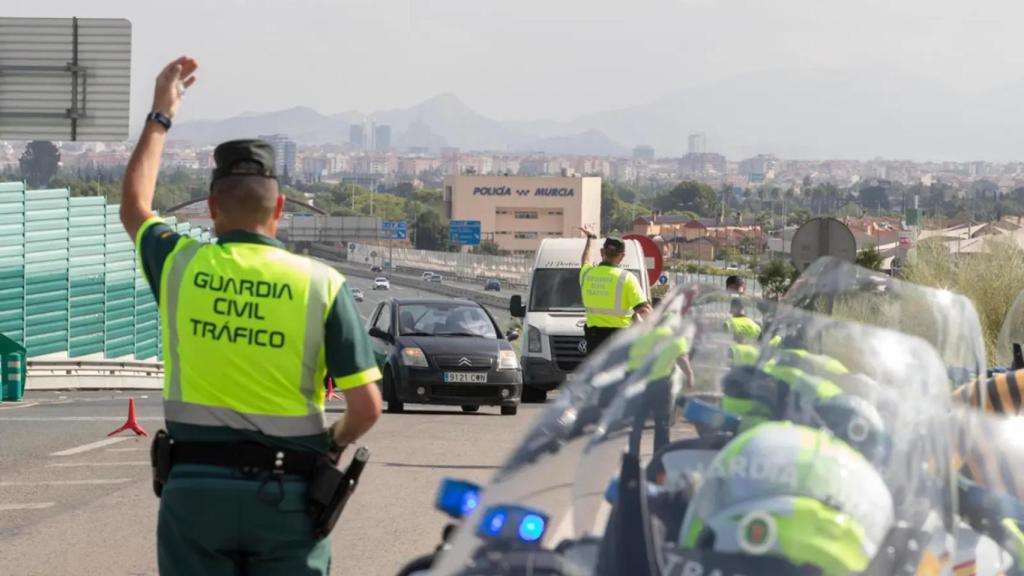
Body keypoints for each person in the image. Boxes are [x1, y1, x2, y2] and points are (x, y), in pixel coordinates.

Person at [120, 57, 383, 576]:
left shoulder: (178, 263)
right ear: (280, 208)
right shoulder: (321, 284)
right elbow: (367, 408)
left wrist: (161, 113)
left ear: (213, 208)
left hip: (195, 496)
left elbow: (135, 206)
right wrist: (331, 444)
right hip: (288, 497)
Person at [578, 225, 652, 355]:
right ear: (622, 256)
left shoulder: (587, 274)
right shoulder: (627, 278)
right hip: (620, 341)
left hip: (594, 341)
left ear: (602, 253)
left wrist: (591, 238)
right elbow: (644, 310)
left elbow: (586, 260)